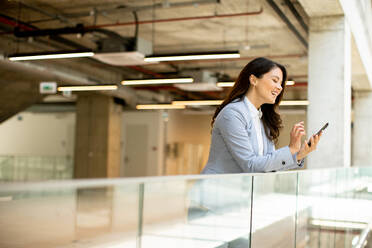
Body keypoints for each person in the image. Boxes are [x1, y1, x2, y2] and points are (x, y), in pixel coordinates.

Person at [202, 57, 321, 174]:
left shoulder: (262, 118)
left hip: (239, 190)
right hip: (217, 189)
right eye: (275, 80)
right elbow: (251, 165)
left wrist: (299, 154)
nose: (280, 87)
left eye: (281, 83)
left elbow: (266, 166)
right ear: (253, 80)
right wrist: (290, 150)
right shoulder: (233, 114)